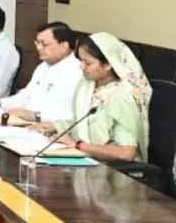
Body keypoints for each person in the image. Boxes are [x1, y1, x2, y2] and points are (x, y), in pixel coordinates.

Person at [32, 33, 151, 163]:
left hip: (111, 169)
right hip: (84, 159)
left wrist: (78, 145)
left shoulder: (122, 96)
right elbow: (83, 124)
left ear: (108, 64)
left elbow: (126, 153)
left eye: (88, 63)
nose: (81, 67)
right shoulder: (87, 85)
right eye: (81, 61)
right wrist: (54, 126)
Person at [0, 22, 80, 122]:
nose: (38, 48)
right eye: (37, 43)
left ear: (64, 46)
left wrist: (33, 116)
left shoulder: (76, 72)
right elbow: (26, 96)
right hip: (26, 123)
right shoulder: (43, 67)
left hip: (49, 127)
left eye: (44, 44)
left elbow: (69, 116)